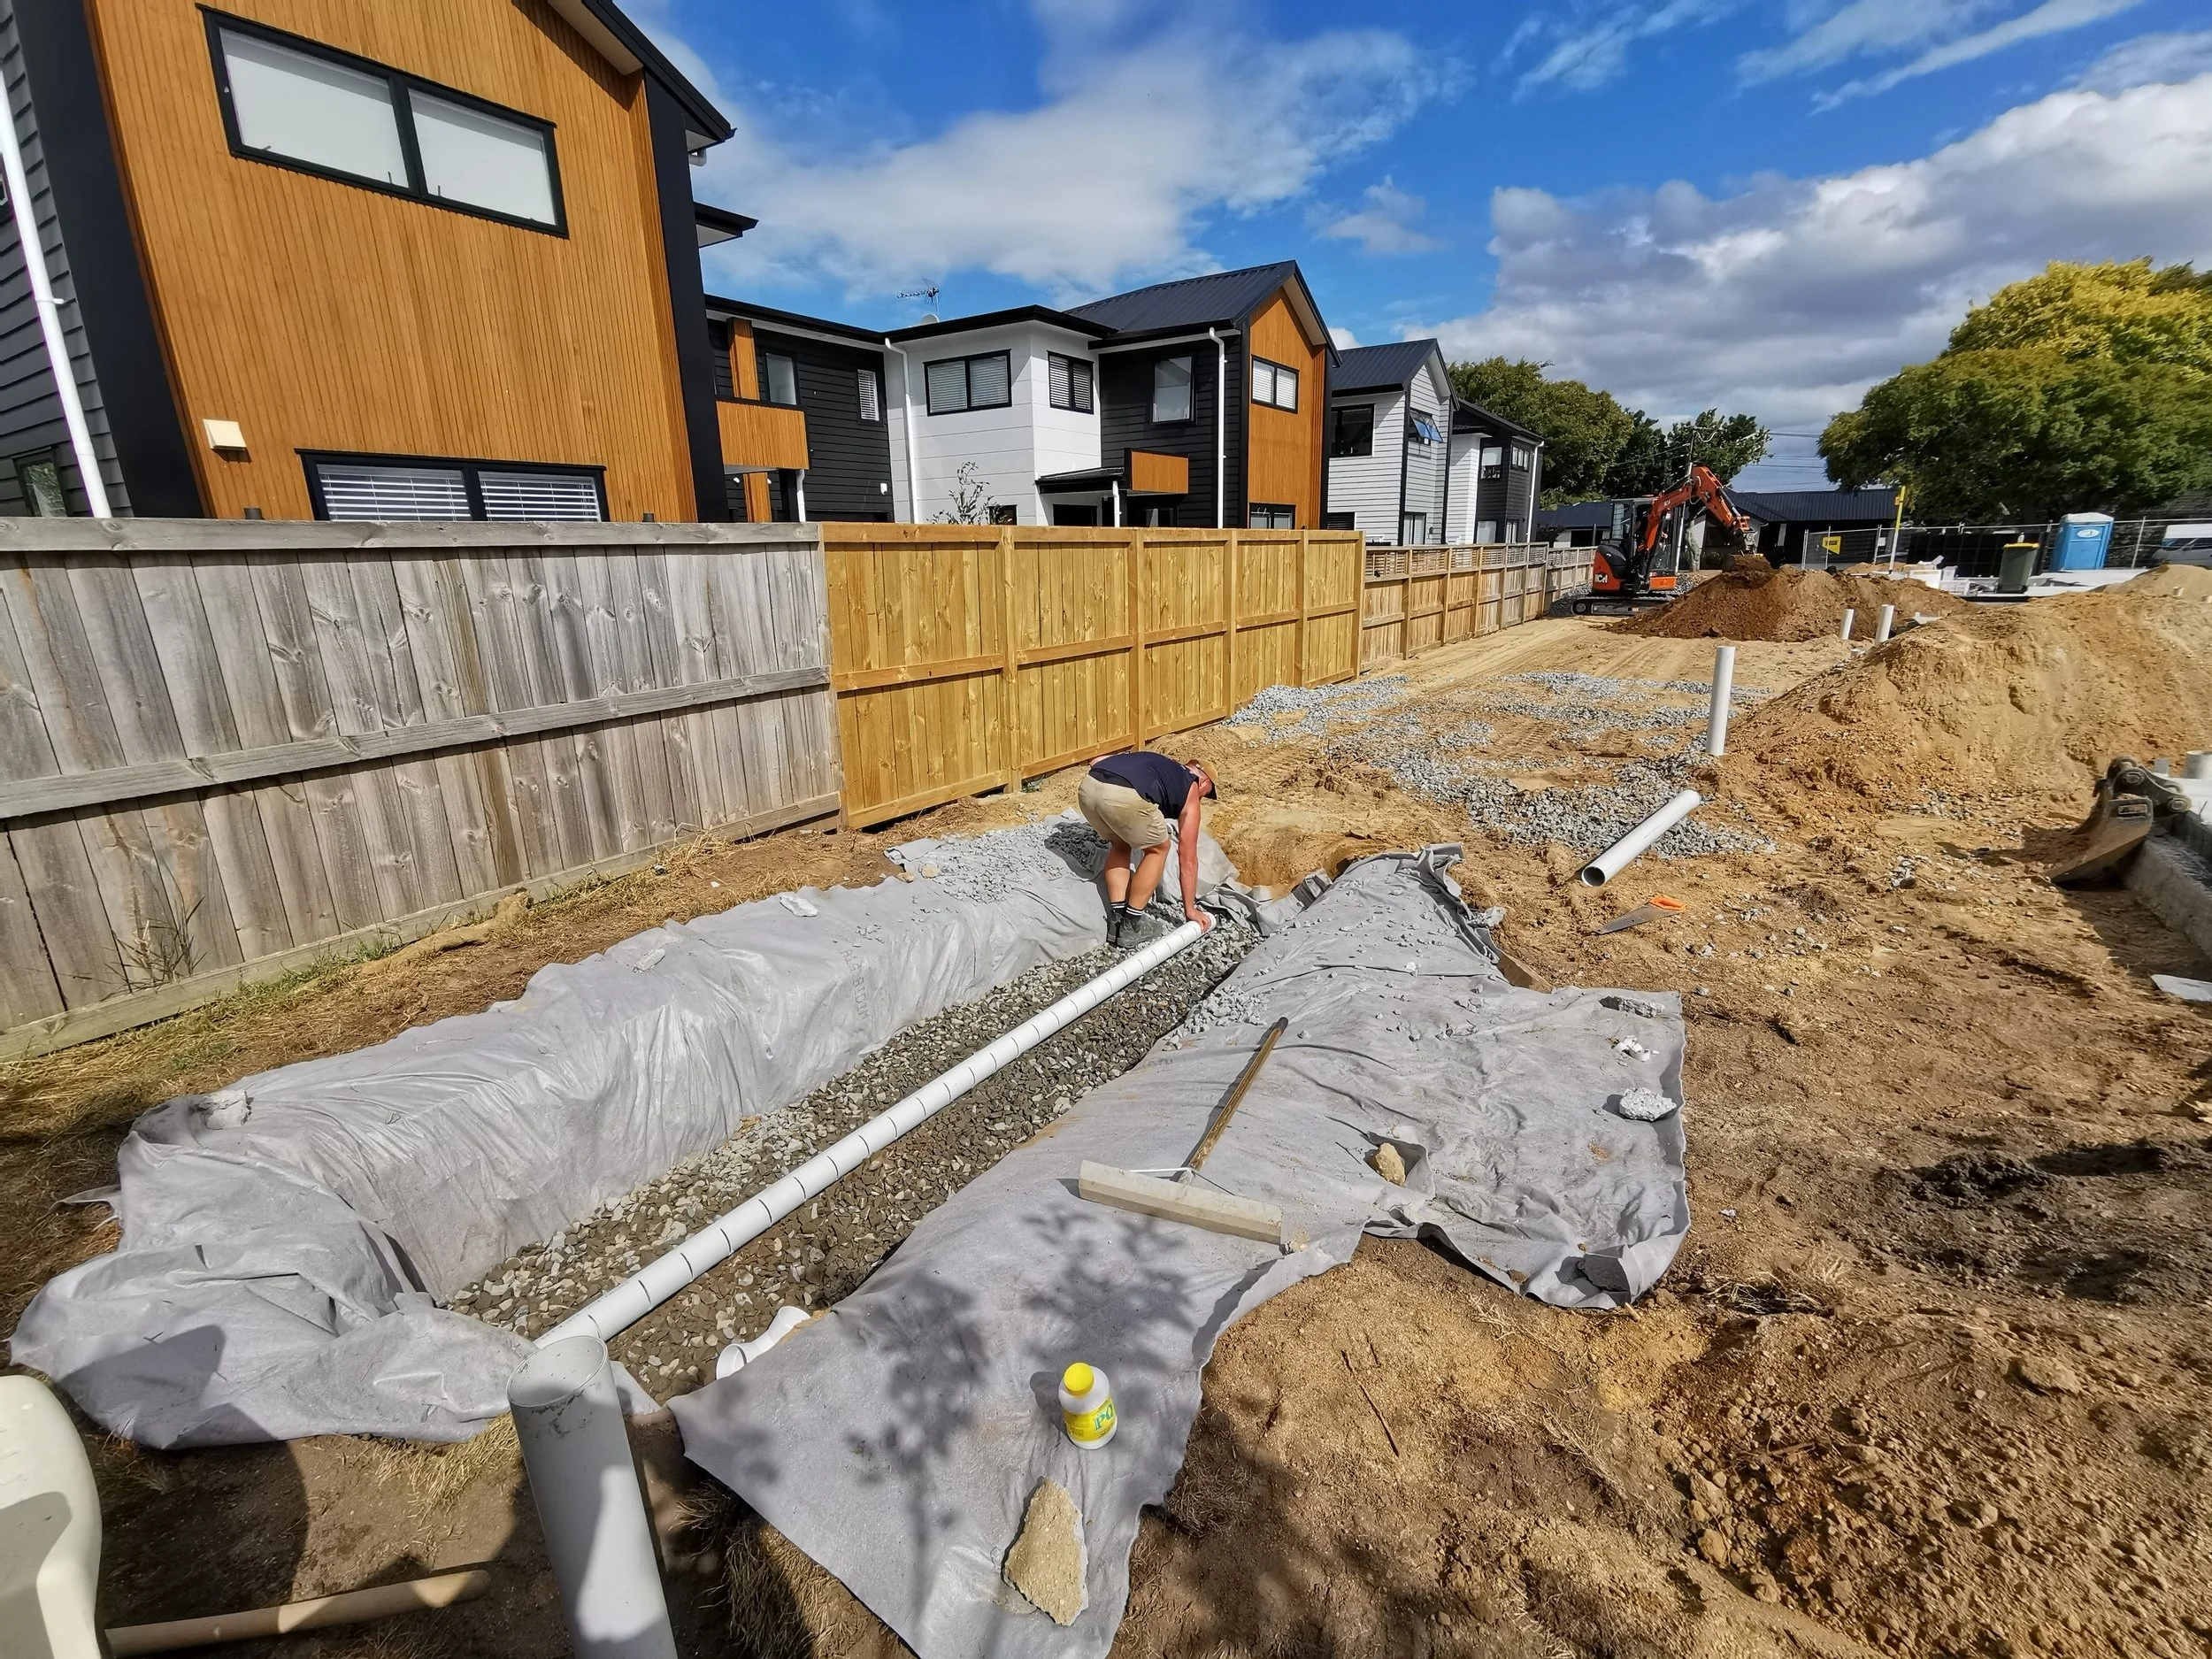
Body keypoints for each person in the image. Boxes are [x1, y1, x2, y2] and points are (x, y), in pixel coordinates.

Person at [1076, 750, 1218, 945]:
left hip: (1088, 788)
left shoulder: (1160, 765)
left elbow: (1097, 760)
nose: (1202, 799)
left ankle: (1116, 920)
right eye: (1207, 793)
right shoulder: (1191, 786)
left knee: (1120, 844)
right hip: (1122, 794)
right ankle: (1132, 925)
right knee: (1158, 849)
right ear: (1202, 781)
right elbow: (1188, 858)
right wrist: (1190, 909)